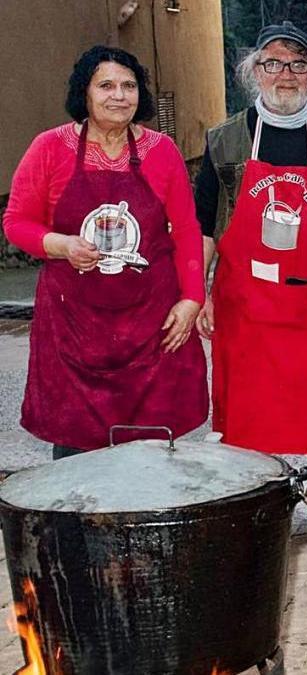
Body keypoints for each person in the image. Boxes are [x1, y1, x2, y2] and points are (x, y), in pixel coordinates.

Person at [193, 21, 307, 545]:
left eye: (297, 64)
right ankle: (255, 501)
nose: (285, 74)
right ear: (253, 71)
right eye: (272, 63)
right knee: (249, 408)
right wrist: (198, 290)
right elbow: (204, 222)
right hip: (247, 301)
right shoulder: (226, 139)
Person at [3, 46, 207, 458]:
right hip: (75, 323)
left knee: (153, 439)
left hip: (151, 320)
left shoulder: (161, 150)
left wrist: (191, 300)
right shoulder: (50, 148)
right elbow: (16, 222)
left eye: (129, 86)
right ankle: (78, 521)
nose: (119, 95)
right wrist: (60, 246)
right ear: (85, 93)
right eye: (107, 85)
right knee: (76, 438)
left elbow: (186, 230)